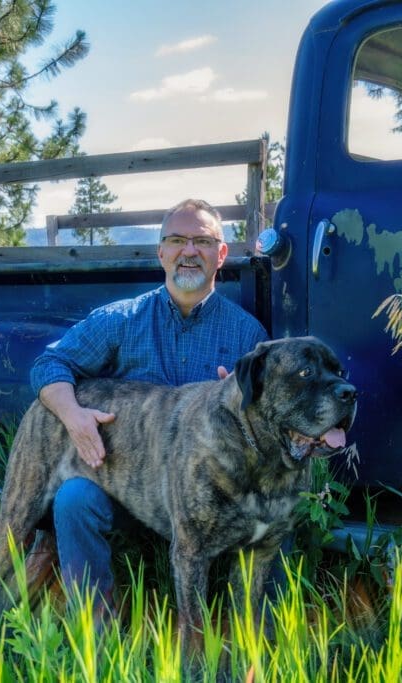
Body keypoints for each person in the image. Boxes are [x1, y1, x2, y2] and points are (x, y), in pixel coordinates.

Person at [28, 198, 270, 612]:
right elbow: (50, 363)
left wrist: (241, 410)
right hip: (128, 489)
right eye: (177, 240)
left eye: (202, 241)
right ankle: (95, 633)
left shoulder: (248, 335)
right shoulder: (120, 320)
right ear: (161, 252)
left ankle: (236, 635)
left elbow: (269, 425)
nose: (189, 251)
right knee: (73, 499)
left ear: (221, 254)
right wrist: (74, 416)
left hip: (210, 499)